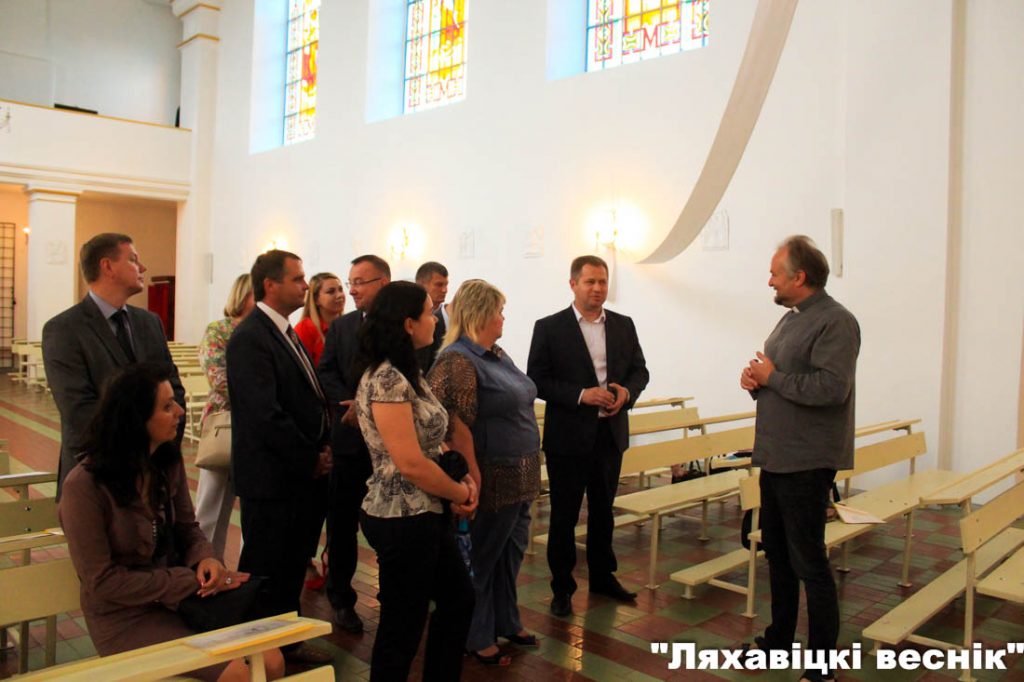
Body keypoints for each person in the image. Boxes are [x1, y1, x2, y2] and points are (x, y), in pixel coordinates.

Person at [58, 364, 284, 682]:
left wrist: (206, 559)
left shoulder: (165, 462)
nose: (180, 411)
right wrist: (185, 580)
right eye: (166, 406)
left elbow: (188, 528)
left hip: (180, 602)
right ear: (136, 419)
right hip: (125, 616)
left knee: (272, 660)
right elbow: (103, 582)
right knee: (238, 673)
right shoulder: (84, 486)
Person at [740, 235, 859, 682]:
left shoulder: (836, 321)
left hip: (807, 461)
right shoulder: (791, 319)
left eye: (776, 273)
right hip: (776, 455)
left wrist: (773, 377)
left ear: (799, 276)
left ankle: (822, 664)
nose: (770, 280)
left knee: (809, 562)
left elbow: (832, 388)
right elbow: (783, 379)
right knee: (778, 555)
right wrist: (757, 382)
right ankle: (778, 642)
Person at [355, 281, 476, 681]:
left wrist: (459, 478)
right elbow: (408, 462)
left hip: (425, 509)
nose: (435, 320)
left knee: (458, 600)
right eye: (428, 313)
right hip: (400, 516)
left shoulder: (410, 372)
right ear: (408, 324)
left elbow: (427, 442)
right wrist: (458, 492)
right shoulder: (387, 379)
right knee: (402, 627)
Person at [527, 255, 649, 617]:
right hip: (568, 437)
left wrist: (626, 393)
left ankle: (603, 577)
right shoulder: (550, 327)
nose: (597, 288)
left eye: (602, 282)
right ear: (573, 284)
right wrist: (582, 395)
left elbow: (640, 371)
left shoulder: (623, 325)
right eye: (590, 282)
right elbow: (537, 380)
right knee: (564, 515)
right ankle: (562, 587)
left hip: (609, 434)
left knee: (603, 512)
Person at [226, 250, 333, 665]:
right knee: (266, 569)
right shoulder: (251, 337)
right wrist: (310, 457)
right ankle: (256, 652)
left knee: (290, 567)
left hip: (297, 475)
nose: (305, 286)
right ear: (270, 285)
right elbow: (264, 414)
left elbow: (306, 396)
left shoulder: (284, 331)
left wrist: (323, 445)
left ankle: (284, 646)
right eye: (298, 279)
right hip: (272, 478)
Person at [427, 280, 541, 666]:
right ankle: (475, 633)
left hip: (521, 474)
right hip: (492, 475)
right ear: (480, 314)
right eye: (498, 311)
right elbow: (450, 424)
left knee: (510, 556)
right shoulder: (458, 360)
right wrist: (469, 478)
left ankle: (506, 620)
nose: (503, 318)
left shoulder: (495, 355)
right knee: (482, 558)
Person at [43, 232, 184, 496]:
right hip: (96, 476)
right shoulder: (64, 329)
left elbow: (174, 389)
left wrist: (160, 451)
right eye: (133, 259)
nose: (143, 268)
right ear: (107, 267)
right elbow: (79, 410)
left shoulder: (149, 323)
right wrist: (144, 441)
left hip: (155, 473)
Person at [317, 254, 391, 633]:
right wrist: (348, 402)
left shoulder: (400, 325)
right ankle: (341, 598)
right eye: (351, 283)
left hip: (390, 445)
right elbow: (326, 371)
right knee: (342, 525)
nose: (353, 290)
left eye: (360, 282)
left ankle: (391, 592)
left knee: (390, 523)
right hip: (349, 442)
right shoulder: (342, 326)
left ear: (383, 283)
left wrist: (364, 405)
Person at [294, 272, 346, 367]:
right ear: (316, 299)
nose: (339, 295)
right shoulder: (305, 329)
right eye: (331, 292)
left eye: (340, 289)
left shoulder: (350, 324)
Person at [414, 261, 449, 371]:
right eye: (439, 285)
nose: (445, 290)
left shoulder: (443, 319)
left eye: (446, 284)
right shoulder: (413, 319)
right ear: (421, 285)